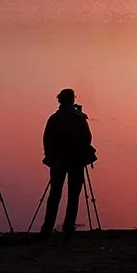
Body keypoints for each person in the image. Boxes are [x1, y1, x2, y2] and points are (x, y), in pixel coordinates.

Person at [38, 88, 96, 239]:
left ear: (60, 101)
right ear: (72, 100)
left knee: (54, 195)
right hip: (76, 161)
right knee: (73, 196)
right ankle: (68, 227)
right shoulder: (80, 119)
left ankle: (47, 228)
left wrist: (50, 157)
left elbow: (47, 140)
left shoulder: (54, 119)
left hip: (58, 161)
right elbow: (87, 139)